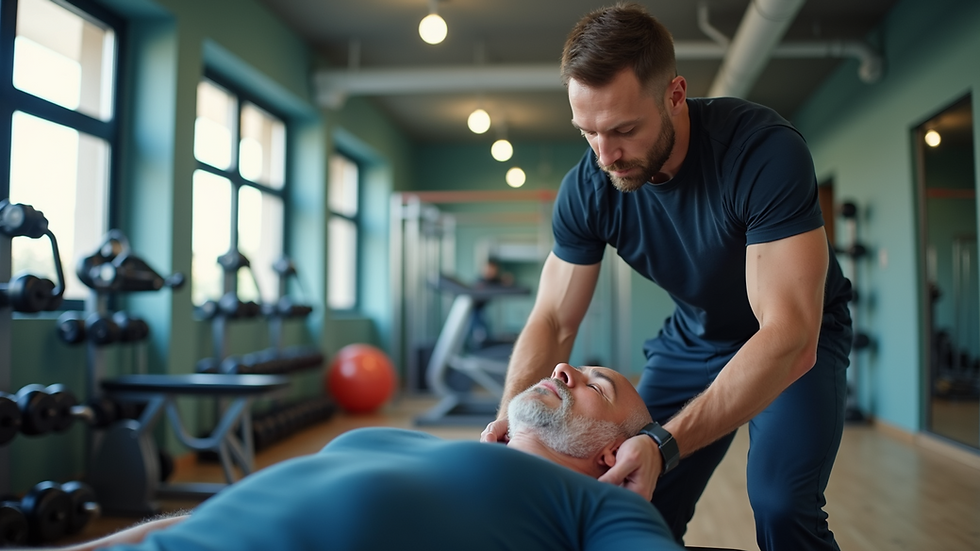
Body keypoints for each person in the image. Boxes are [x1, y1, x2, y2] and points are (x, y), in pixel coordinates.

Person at [480, 4, 853, 551]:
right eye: (588, 133)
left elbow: (789, 335)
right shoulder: (589, 185)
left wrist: (664, 441)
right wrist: (508, 419)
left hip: (795, 335)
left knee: (781, 503)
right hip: (693, 339)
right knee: (636, 500)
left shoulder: (760, 151)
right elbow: (554, 318)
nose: (606, 156)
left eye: (623, 130)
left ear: (675, 95)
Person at [42, 364, 686, 551]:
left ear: (612, 453)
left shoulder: (594, 504)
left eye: (598, 386)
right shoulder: (395, 441)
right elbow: (202, 525)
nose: (566, 367)